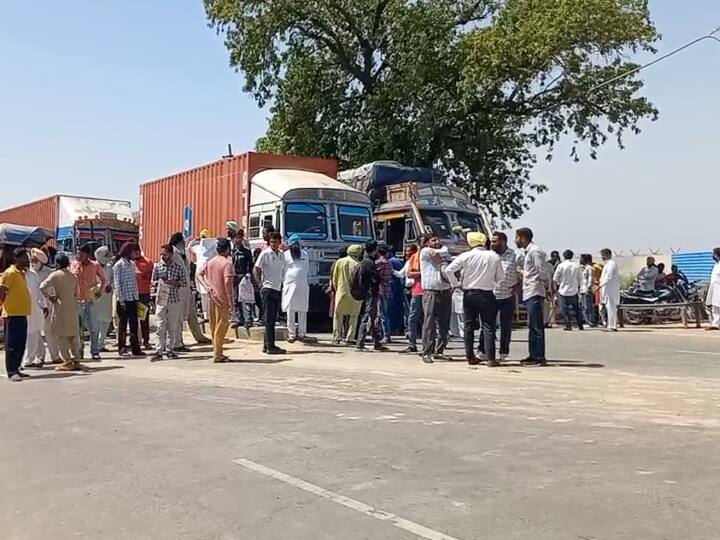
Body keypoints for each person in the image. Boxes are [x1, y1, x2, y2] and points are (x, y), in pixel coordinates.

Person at [445, 232, 504, 367]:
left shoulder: (465, 255)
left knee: (468, 325)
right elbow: (500, 277)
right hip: (487, 294)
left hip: (469, 293)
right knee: (488, 326)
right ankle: (490, 358)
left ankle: (470, 356)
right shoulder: (493, 256)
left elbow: (449, 270)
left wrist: (455, 283)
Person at [40, 253, 85, 371]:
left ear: (58, 263)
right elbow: (77, 294)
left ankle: (67, 360)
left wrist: (50, 297)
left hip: (60, 308)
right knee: (73, 336)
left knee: (60, 336)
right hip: (72, 308)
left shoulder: (54, 275)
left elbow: (42, 287)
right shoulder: (73, 276)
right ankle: (76, 360)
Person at [168, 232, 211, 351]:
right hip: (177, 290)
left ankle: (199, 336)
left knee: (192, 314)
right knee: (178, 317)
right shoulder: (172, 253)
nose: (184, 243)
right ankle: (178, 343)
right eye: (182, 241)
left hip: (186, 289)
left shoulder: (183, 252)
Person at [198, 238, 236, 362]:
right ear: (227, 249)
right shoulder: (227, 264)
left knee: (214, 326)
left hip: (212, 297)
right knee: (222, 325)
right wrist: (231, 301)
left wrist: (207, 286)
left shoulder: (211, 262)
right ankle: (217, 354)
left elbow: (199, 274)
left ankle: (217, 352)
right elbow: (227, 282)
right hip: (222, 299)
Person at [515, 227, 549, 366]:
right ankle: (533, 355)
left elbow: (542, 271)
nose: (515, 240)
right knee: (532, 325)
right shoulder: (528, 252)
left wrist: (540, 281)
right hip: (530, 291)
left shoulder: (534, 251)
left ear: (523, 237)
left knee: (536, 326)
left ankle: (539, 357)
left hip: (534, 290)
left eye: (516, 237)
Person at [419, 234, 452, 363]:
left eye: (438, 240)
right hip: (431, 292)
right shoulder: (425, 251)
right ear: (427, 243)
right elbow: (437, 254)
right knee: (429, 322)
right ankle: (427, 351)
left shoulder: (443, 252)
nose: (437, 242)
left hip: (445, 290)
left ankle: (439, 350)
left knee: (444, 322)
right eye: (433, 240)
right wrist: (445, 250)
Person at [488, 232, 521, 361]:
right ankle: (484, 350)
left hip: (507, 296)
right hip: (491, 295)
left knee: (505, 326)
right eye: (491, 241)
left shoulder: (515, 256)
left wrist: (518, 286)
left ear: (503, 242)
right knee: (488, 326)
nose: (492, 244)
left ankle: (503, 352)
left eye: (494, 241)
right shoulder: (489, 256)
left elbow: (526, 272)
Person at [150, 244, 187, 361]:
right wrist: (159, 283)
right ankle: (159, 350)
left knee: (172, 326)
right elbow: (153, 281)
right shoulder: (158, 267)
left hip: (173, 299)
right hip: (161, 300)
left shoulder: (178, 267)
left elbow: (184, 283)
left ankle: (170, 349)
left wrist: (174, 283)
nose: (163, 256)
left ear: (171, 254)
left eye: (165, 254)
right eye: (161, 254)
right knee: (160, 326)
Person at [71, 244, 107, 360]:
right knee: (78, 328)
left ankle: (95, 351)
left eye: (81, 253)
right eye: (78, 253)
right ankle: (79, 351)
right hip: (77, 301)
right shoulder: (74, 265)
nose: (79, 255)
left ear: (87, 254)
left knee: (94, 327)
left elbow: (104, 279)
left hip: (91, 301)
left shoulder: (95, 265)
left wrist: (99, 293)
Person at [0, 248, 32, 381]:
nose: (27, 260)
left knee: (20, 343)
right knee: (12, 344)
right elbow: (2, 290)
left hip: (22, 313)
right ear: (16, 258)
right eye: (25, 257)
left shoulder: (21, 273)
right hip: (12, 314)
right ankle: (11, 371)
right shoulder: (10, 273)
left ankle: (17, 367)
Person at [254, 232, 286, 355]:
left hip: (277, 288)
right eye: (271, 242)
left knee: (272, 318)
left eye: (275, 241)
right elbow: (256, 269)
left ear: (279, 242)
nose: (273, 244)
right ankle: (270, 346)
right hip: (268, 288)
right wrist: (260, 284)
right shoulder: (265, 253)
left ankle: (267, 344)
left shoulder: (282, 255)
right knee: (268, 318)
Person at [113, 242, 144, 357]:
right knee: (122, 326)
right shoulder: (118, 265)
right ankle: (122, 348)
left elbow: (134, 283)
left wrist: (136, 297)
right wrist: (121, 301)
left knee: (134, 325)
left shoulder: (132, 264)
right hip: (123, 300)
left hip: (132, 298)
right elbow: (117, 284)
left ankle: (135, 348)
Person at [355, 240, 387, 352]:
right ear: (375, 249)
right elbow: (374, 279)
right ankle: (360, 343)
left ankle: (377, 343)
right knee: (367, 317)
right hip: (371, 293)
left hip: (370, 293)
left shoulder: (366, 262)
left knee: (373, 318)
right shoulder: (369, 263)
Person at [22, 248, 49, 369]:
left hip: (34, 309)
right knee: (33, 334)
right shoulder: (18, 275)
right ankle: (36, 357)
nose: (31, 263)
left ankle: (30, 360)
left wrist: (44, 306)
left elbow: (40, 292)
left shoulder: (33, 275)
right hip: (23, 309)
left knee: (33, 334)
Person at [282, 235, 312, 343]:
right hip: (289, 285)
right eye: (293, 244)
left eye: (297, 244)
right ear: (290, 245)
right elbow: (283, 270)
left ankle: (302, 333)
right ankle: (292, 334)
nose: (295, 246)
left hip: (302, 285)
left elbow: (306, 268)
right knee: (290, 309)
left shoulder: (304, 254)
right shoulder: (285, 255)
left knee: (303, 309)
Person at [331, 245, 363, 345]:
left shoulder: (339, 262)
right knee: (354, 315)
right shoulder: (358, 264)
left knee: (338, 315)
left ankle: (336, 337)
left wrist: (337, 288)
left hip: (341, 291)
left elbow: (334, 278)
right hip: (354, 293)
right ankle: (350, 337)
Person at [404, 238, 427, 354]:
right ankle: (412, 344)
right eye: (421, 242)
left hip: (430, 291)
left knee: (427, 319)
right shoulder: (414, 257)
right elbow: (409, 273)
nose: (423, 244)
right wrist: (424, 273)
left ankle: (427, 346)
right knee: (412, 318)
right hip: (417, 291)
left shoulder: (434, 255)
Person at [553, 250, 585, 331]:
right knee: (577, 309)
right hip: (574, 290)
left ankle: (568, 325)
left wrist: (560, 282)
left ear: (564, 256)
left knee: (564, 309)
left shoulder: (561, 266)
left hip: (563, 290)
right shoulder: (576, 266)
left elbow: (555, 278)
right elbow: (580, 278)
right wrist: (577, 285)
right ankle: (580, 325)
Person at [93, 247, 114, 354]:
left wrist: (110, 286)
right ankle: (95, 344)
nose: (108, 258)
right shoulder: (93, 266)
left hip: (107, 297)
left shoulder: (110, 267)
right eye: (106, 255)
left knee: (105, 321)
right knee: (96, 321)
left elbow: (112, 280)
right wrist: (100, 287)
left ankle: (101, 344)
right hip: (96, 297)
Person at [231, 233, 255, 327]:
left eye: (240, 238)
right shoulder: (232, 252)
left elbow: (251, 264)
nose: (238, 240)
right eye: (236, 238)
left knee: (246, 298)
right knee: (236, 298)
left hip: (244, 276)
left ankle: (249, 318)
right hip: (235, 276)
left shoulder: (246, 252)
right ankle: (239, 318)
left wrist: (249, 274)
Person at [133, 246, 154, 350]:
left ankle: (146, 341)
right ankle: (135, 340)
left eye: (138, 251)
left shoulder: (147, 262)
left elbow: (152, 277)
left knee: (144, 318)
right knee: (133, 319)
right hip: (132, 294)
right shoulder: (129, 263)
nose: (136, 253)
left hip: (143, 294)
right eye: (134, 251)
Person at [599, 248, 620, 331]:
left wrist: (600, 285)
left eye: (603, 255)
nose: (602, 257)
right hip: (607, 288)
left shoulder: (611, 264)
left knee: (611, 307)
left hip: (610, 289)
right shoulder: (607, 264)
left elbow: (609, 277)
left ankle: (612, 325)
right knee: (609, 307)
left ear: (607, 255)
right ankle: (610, 325)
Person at [375, 244, 393, 343]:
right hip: (387, 289)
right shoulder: (389, 263)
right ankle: (383, 334)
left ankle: (386, 335)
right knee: (383, 313)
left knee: (382, 314)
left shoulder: (379, 263)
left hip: (380, 289)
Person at [579, 254, 596, 327]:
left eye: (581, 259)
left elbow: (590, 279)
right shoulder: (584, 268)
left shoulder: (589, 268)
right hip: (582, 289)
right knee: (584, 306)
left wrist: (588, 288)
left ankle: (589, 321)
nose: (580, 260)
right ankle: (587, 321)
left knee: (587, 307)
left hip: (586, 290)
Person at [705, 248, 720, 330]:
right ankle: (716, 324)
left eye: (713, 254)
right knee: (715, 306)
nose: (712, 256)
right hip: (714, 288)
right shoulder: (716, 265)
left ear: (717, 255)